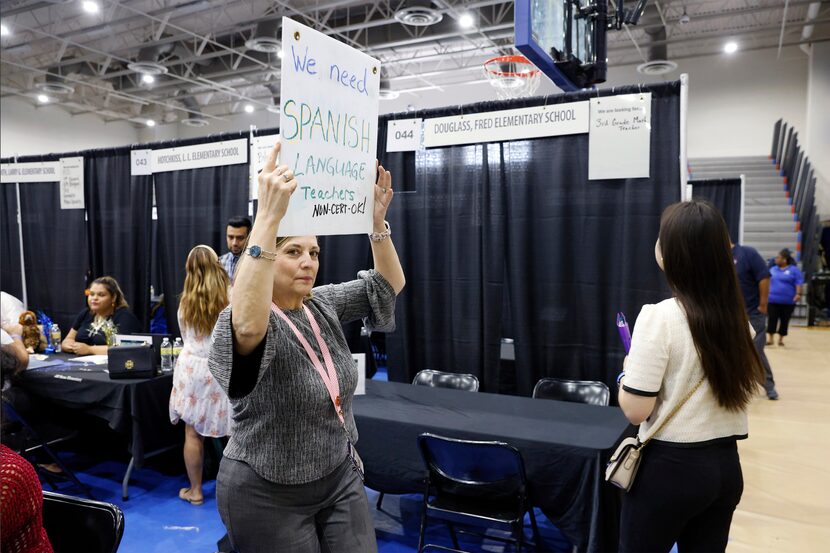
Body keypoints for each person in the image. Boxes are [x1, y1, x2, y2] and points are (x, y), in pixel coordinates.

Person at [209, 141, 405, 553]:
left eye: (314, 252)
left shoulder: (322, 302)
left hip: (338, 474)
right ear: (265, 258)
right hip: (266, 489)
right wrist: (267, 218)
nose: (308, 262)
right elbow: (246, 327)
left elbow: (388, 285)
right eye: (294, 251)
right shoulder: (249, 319)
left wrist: (377, 224)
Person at [617, 200, 765, 553]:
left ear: (670, 254)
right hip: (726, 466)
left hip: (671, 470)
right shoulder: (738, 322)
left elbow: (636, 411)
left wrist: (626, 375)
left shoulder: (659, 317)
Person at [169, 245, 233, 506]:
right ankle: (236, 494)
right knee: (235, 434)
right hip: (222, 367)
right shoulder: (231, 295)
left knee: (193, 434)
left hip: (191, 370)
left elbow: (186, 337)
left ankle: (195, 491)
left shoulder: (185, 300)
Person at [731, 241, 778, 400]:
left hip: (752, 313)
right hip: (730, 315)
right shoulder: (717, 257)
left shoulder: (747, 253)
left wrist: (763, 305)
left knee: (755, 351)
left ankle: (769, 385)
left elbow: (764, 277)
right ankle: (735, 387)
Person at [61, 276, 141, 355]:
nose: (94, 298)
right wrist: (70, 346)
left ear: (113, 298)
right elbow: (68, 339)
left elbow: (127, 347)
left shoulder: (125, 317)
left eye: (101, 295)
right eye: (91, 294)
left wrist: (90, 349)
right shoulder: (85, 313)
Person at [767, 248, 804, 347]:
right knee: (772, 319)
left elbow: (798, 283)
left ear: (784, 259)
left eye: (778, 257)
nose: (775, 259)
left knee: (785, 320)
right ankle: (770, 339)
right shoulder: (773, 269)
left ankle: (781, 339)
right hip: (772, 300)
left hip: (788, 301)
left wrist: (798, 294)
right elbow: (767, 281)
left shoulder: (794, 270)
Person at [218, 216, 252, 282]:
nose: (234, 243)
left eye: (240, 238)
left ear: (249, 237)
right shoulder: (219, 263)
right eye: (230, 237)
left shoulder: (255, 263)